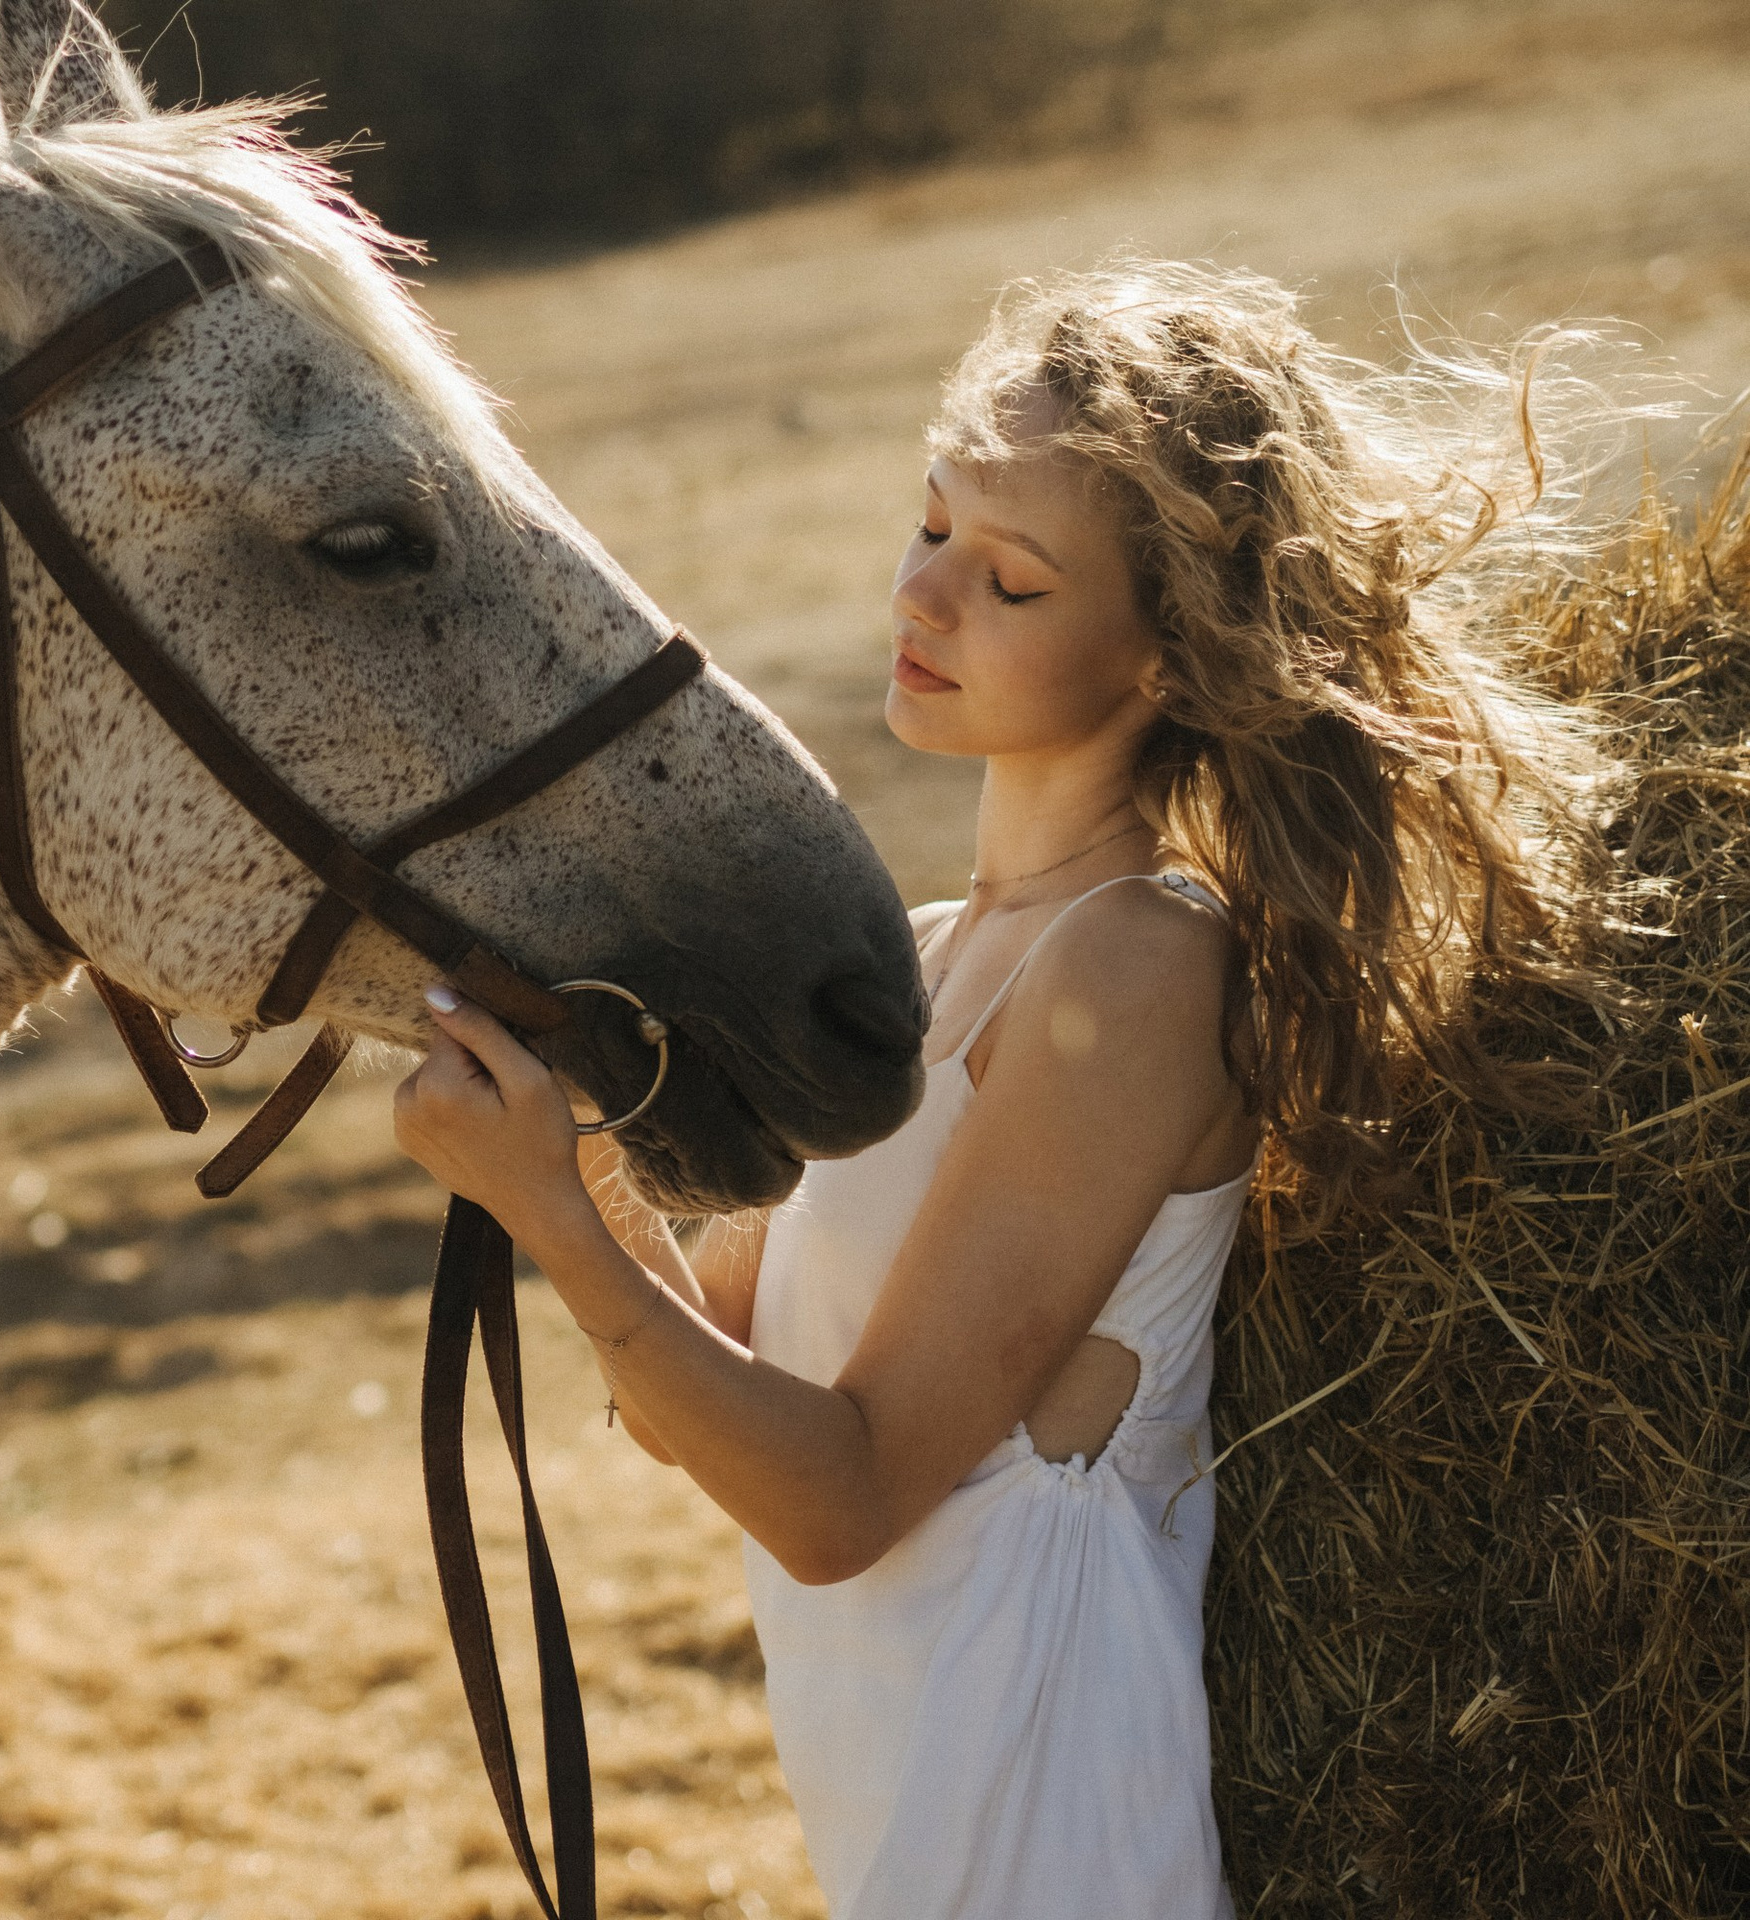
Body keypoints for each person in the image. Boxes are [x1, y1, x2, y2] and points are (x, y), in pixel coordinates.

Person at [393, 260, 1611, 1919]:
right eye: (930, 523)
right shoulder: (930, 952)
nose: (925, 595)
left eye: (1013, 583)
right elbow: (715, 1403)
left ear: (1165, 663)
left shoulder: (1140, 964)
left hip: (1047, 1813)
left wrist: (546, 1207)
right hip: (896, 1786)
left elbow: (839, 1497)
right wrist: (564, 1098)